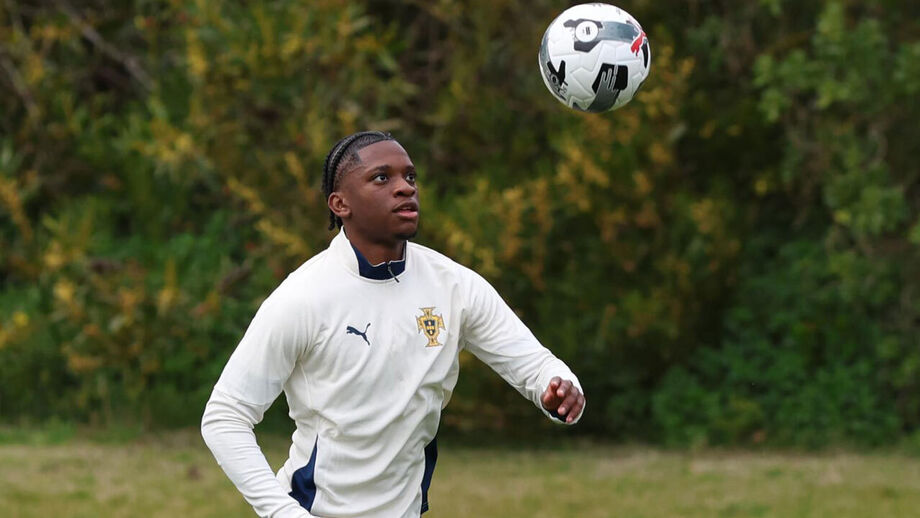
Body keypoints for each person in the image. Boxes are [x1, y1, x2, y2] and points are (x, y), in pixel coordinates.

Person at [201, 131, 586, 518]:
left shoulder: (454, 285)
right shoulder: (303, 298)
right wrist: (282, 513)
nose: (405, 188)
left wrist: (558, 388)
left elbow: (537, 367)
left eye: (410, 177)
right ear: (340, 204)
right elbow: (225, 416)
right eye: (382, 178)